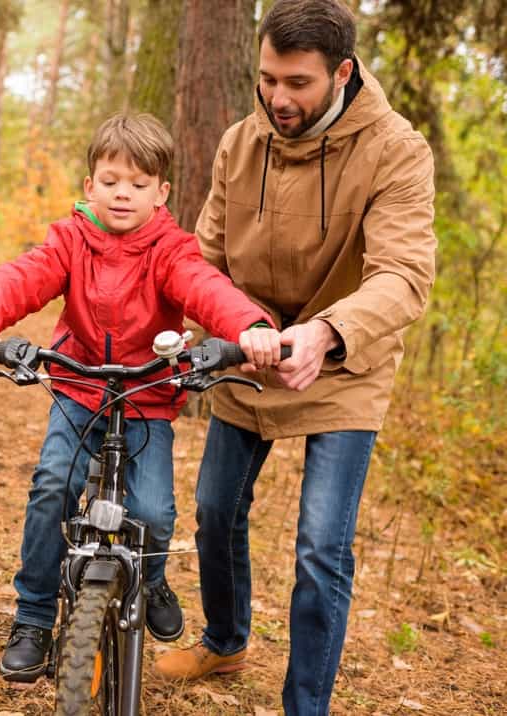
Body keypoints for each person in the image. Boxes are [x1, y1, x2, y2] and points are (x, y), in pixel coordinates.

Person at [153, 2, 436, 715]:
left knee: (319, 546)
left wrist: (327, 333)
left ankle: (304, 706)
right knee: (216, 512)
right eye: (268, 78)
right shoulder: (239, 142)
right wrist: (226, 326)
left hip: (345, 360)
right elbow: (206, 257)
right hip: (249, 351)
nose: (279, 98)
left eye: (299, 83)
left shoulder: (398, 149)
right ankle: (225, 640)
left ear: (341, 73)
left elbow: (405, 275)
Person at [0, 113, 281, 683]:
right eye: (110, 181)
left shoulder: (170, 250)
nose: (122, 193)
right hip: (79, 390)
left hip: (148, 395)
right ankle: (32, 618)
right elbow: (23, 276)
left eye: (137, 183)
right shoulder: (70, 241)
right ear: (90, 187)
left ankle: (150, 579)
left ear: (162, 192)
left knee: (154, 513)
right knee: (54, 485)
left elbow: (206, 289)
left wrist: (249, 325)